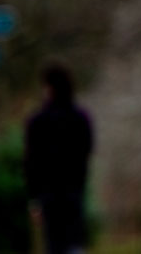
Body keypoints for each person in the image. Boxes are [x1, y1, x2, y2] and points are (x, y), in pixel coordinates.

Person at [24, 64, 94, 254]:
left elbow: (31, 163)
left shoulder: (38, 122)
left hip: (49, 196)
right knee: (74, 244)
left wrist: (34, 199)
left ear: (48, 88)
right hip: (74, 193)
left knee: (54, 244)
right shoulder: (80, 118)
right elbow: (87, 153)